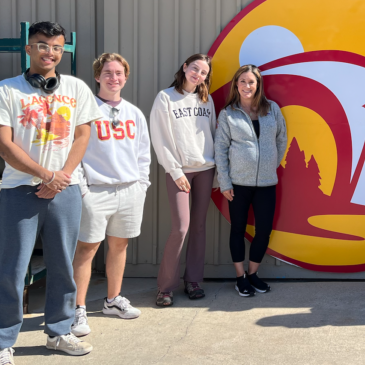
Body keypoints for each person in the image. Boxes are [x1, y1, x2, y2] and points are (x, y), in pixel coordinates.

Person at [0, 21, 102, 364]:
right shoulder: (6, 90)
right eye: (43, 45)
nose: (50, 52)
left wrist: (60, 178)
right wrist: (45, 175)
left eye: (57, 47)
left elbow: (82, 136)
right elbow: (2, 144)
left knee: (63, 264)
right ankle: (2, 344)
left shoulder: (77, 89)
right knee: (12, 268)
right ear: (29, 48)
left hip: (66, 190)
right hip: (20, 190)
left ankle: (59, 332)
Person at [70, 53, 150, 337]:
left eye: (119, 73)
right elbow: (73, 152)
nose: (113, 78)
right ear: (97, 76)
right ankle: (77, 309)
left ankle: (112, 300)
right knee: (87, 249)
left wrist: (141, 185)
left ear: (125, 77)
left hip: (128, 191)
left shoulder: (134, 113)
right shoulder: (86, 109)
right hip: (95, 191)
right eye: (108, 73)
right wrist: (82, 190)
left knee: (119, 246)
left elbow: (143, 154)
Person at [215, 64, 287, 297]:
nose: (247, 86)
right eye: (243, 81)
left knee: (263, 231)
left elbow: (281, 139)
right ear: (237, 84)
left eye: (251, 82)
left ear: (258, 85)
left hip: (266, 183)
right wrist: (225, 182)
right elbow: (221, 150)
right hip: (238, 184)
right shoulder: (228, 114)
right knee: (237, 230)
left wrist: (269, 164)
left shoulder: (272, 109)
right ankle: (240, 277)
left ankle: (253, 274)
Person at [150, 54, 216, 306]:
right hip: (179, 171)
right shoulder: (166, 97)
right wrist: (175, 171)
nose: (198, 75)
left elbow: (212, 133)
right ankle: (165, 287)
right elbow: (160, 138)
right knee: (181, 228)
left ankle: (193, 280)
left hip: (206, 169)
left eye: (203, 73)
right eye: (195, 69)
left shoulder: (206, 100)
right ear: (185, 67)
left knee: (199, 227)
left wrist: (217, 171)